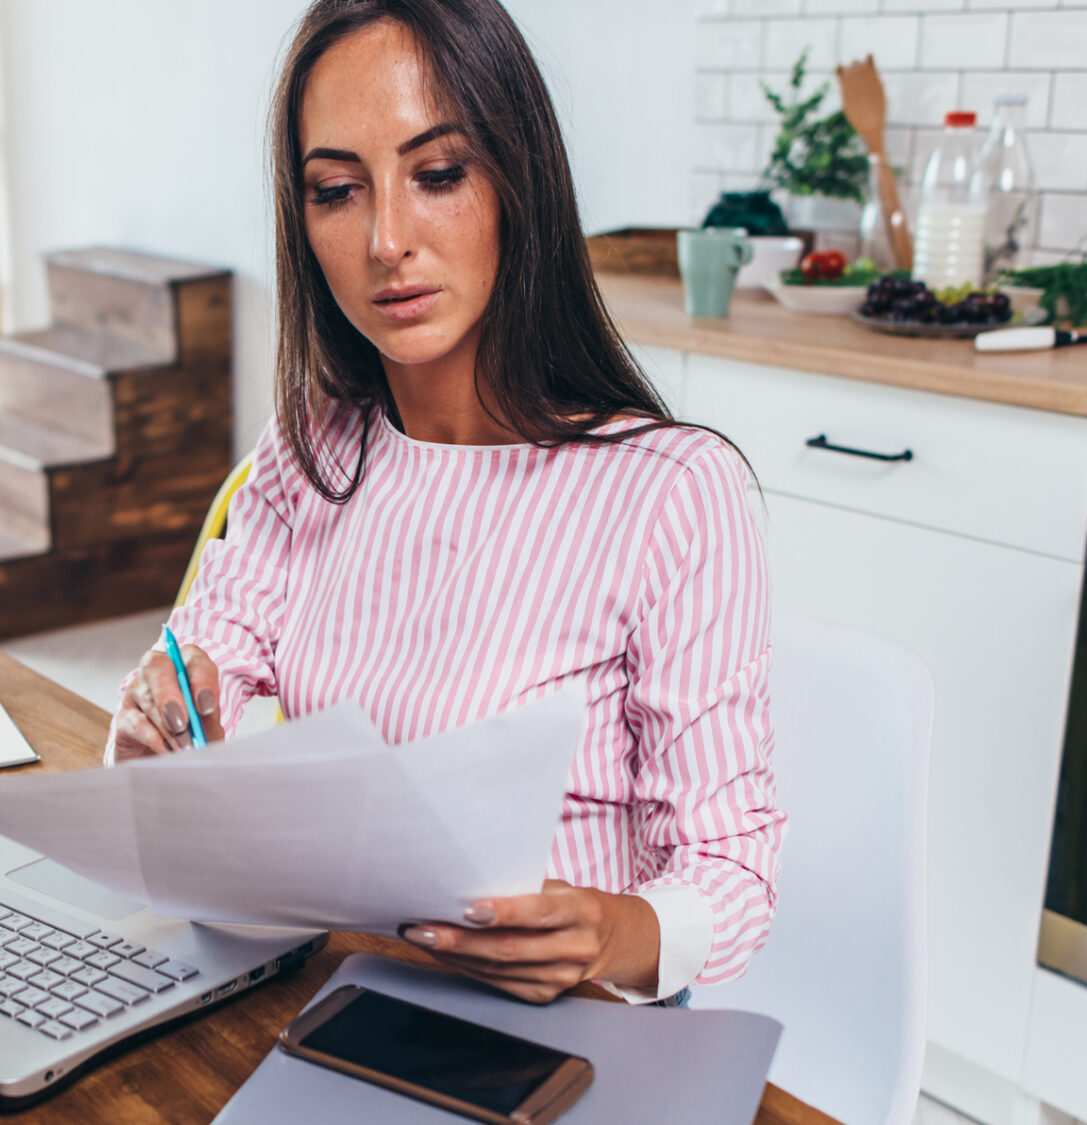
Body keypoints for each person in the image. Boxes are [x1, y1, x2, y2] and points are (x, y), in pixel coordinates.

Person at [107, 0, 782, 1007]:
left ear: (517, 181)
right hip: (339, 989)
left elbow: (729, 876)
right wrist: (162, 720)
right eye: (336, 190)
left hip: (562, 1035)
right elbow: (197, 684)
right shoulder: (313, 440)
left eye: (436, 175)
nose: (386, 240)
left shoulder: (672, 491)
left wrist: (605, 932)